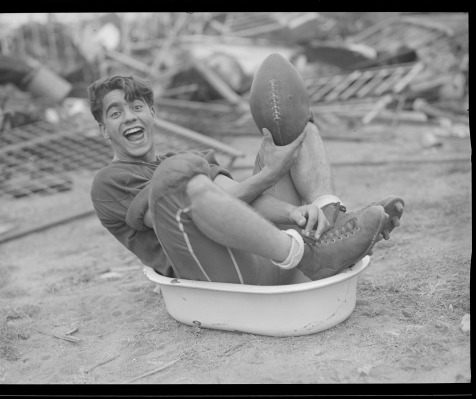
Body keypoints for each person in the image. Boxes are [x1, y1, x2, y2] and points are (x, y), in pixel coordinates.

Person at [89, 74, 404, 285]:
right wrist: (271, 173)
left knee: (298, 128)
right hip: (223, 275)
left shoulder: (181, 160)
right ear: (104, 130)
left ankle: (330, 220)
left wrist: (293, 213)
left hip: (265, 250)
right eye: (115, 113)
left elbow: (235, 195)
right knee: (177, 172)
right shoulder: (109, 181)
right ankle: (312, 256)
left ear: (152, 114)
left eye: (137, 107)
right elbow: (175, 211)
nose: (129, 116)